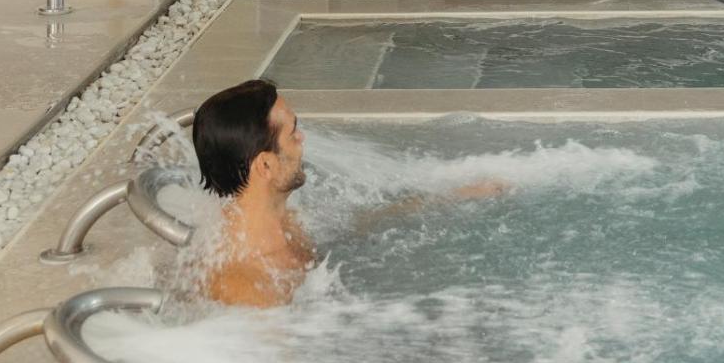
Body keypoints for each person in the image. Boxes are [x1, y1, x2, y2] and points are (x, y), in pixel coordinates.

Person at [192, 80, 504, 308]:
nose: (302, 138)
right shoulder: (243, 283)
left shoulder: (283, 222)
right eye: (292, 132)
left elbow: (349, 224)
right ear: (265, 166)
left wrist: (450, 197)